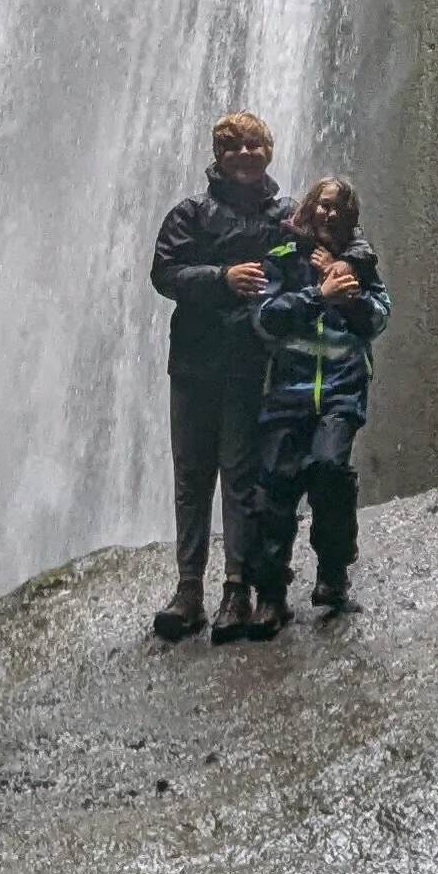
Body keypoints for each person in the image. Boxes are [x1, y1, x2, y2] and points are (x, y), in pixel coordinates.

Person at [148, 110, 287, 643]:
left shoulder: (286, 216)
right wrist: (222, 277)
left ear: (268, 152)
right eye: (235, 147)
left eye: (255, 146)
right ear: (219, 156)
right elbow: (164, 272)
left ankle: (237, 587)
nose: (246, 154)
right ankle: (188, 590)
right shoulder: (191, 213)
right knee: (192, 475)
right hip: (193, 363)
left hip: (251, 364)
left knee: (241, 472)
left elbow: (317, 258)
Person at [243, 175, 390, 639]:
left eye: (340, 211)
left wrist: (347, 291)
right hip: (288, 393)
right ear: (310, 208)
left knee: (331, 471)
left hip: (342, 391)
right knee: (277, 487)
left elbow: (378, 318)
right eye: (324, 206)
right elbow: (265, 318)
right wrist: (318, 294)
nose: (330, 215)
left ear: (351, 219)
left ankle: (332, 575)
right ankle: (269, 595)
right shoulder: (283, 257)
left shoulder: (361, 267)